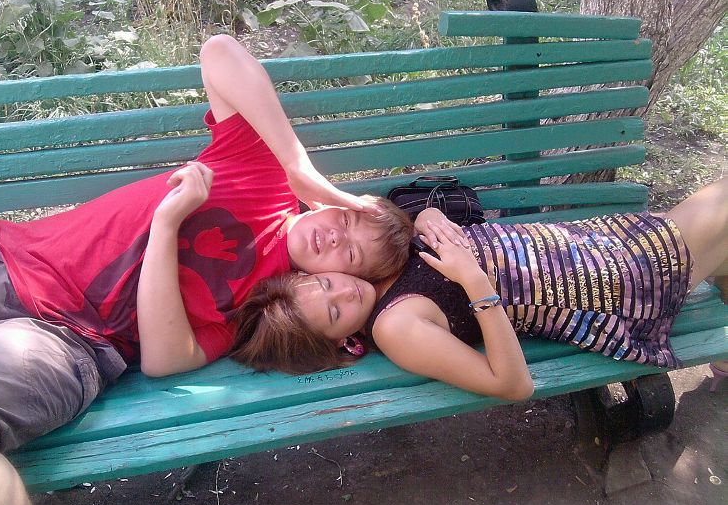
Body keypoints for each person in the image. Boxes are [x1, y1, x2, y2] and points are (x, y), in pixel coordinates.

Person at [0, 35, 412, 505]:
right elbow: (219, 52)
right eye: (347, 218)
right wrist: (299, 166)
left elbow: (164, 359)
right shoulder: (265, 174)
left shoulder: (267, 307)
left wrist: (167, 223)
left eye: (351, 256)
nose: (336, 236)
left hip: (67, 338)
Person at [232, 179, 728, 401]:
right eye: (336, 313)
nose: (346, 292)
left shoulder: (374, 264)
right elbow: (512, 386)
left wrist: (425, 215)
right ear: (345, 342)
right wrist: (474, 281)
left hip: (589, 242)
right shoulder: (396, 326)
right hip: (613, 282)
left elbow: (405, 219)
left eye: (326, 283)